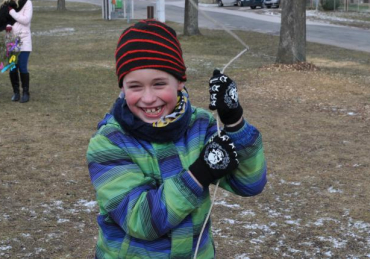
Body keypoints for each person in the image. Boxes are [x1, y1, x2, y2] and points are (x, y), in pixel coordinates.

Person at [86, 20, 267, 259]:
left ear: (180, 81)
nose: (148, 98)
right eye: (135, 86)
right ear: (122, 87)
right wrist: (199, 174)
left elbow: (249, 183)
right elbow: (141, 220)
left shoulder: (200, 126)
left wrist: (234, 121)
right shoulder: (109, 143)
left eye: (159, 84)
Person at [0, 0, 33, 103]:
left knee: (22, 66)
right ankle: (16, 92)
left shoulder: (27, 3)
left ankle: (25, 92)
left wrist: (12, 12)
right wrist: (7, 25)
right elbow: (3, 20)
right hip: (11, 40)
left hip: (24, 40)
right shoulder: (7, 4)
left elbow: (25, 20)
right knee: (13, 67)